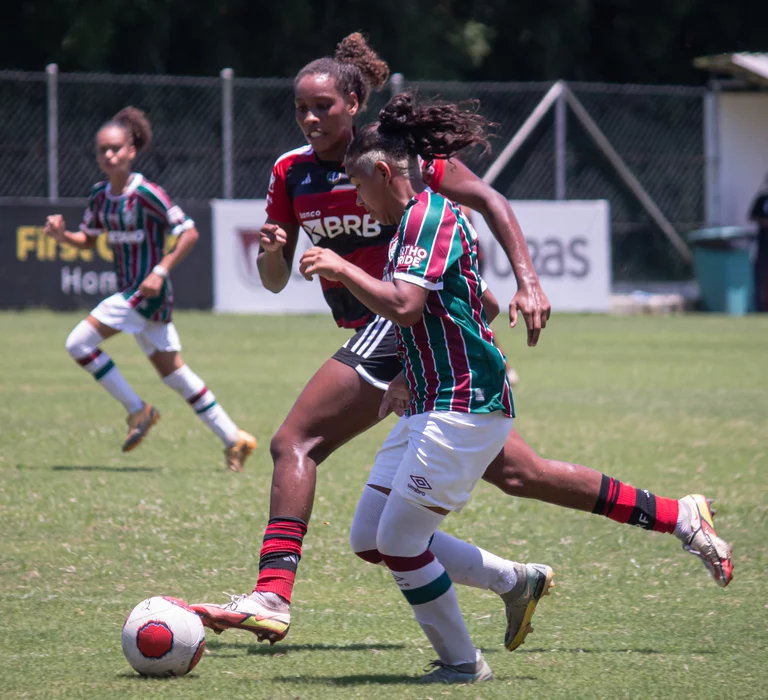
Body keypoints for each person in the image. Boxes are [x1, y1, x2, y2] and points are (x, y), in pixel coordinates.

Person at [192, 34, 732, 645]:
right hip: (398, 335)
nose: (311, 119)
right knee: (521, 474)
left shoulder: (399, 158)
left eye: (324, 107)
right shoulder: (291, 172)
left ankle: (272, 593)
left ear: (354, 101)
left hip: (399, 322)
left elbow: (491, 201)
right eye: (301, 110)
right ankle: (659, 524)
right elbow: (273, 281)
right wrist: (271, 252)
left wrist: (527, 280)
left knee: (296, 440)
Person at [296, 95, 555, 682]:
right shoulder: (414, 225)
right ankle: (516, 580)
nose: (358, 202)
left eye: (360, 189)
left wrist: (341, 267)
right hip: (430, 399)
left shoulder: (425, 218)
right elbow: (472, 303)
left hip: (464, 405)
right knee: (372, 537)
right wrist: (406, 376)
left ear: (384, 172)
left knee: (402, 541)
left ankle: (463, 665)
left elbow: (407, 307)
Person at [44, 107, 257, 471]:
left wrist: (160, 270)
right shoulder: (99, 196)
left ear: (132, 150)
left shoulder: (147, 194)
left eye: (116, 148)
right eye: (102, 150)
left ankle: (137, 410)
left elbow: (189, 231)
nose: (109, 155)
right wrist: (62, 235)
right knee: (174, 373)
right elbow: (87, 241)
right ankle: (234, 437)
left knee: (78, 343)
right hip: (134, 293)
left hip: (145, 293)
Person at [749, 173, 768, 312]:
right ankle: (760, 307)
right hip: (763, 243)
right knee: (761, 273)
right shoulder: (762, 199)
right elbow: (751, 216)